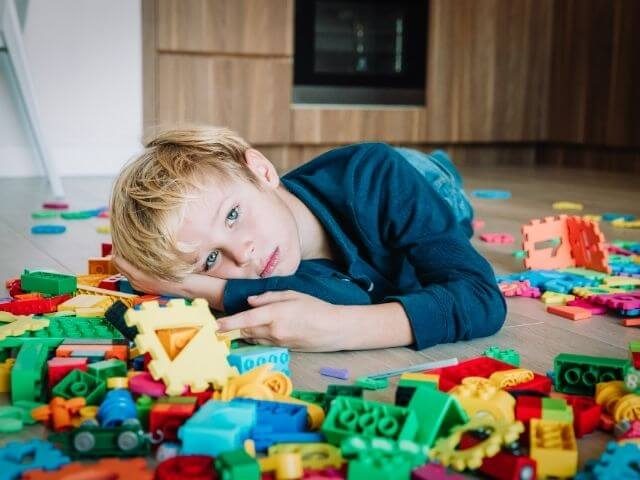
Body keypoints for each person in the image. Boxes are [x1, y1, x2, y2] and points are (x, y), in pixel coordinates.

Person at [110, 126, 506, 352]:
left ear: (261, 170)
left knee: (437, 182)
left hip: (419, 176)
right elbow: (350, 297)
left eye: (233, 215)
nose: (241, 252)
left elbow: (481, 298)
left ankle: (440, 160)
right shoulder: (266, 260)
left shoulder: (376, 176)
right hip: (304, 198)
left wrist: (338, 327)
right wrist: (180, 281)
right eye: (211, 260)